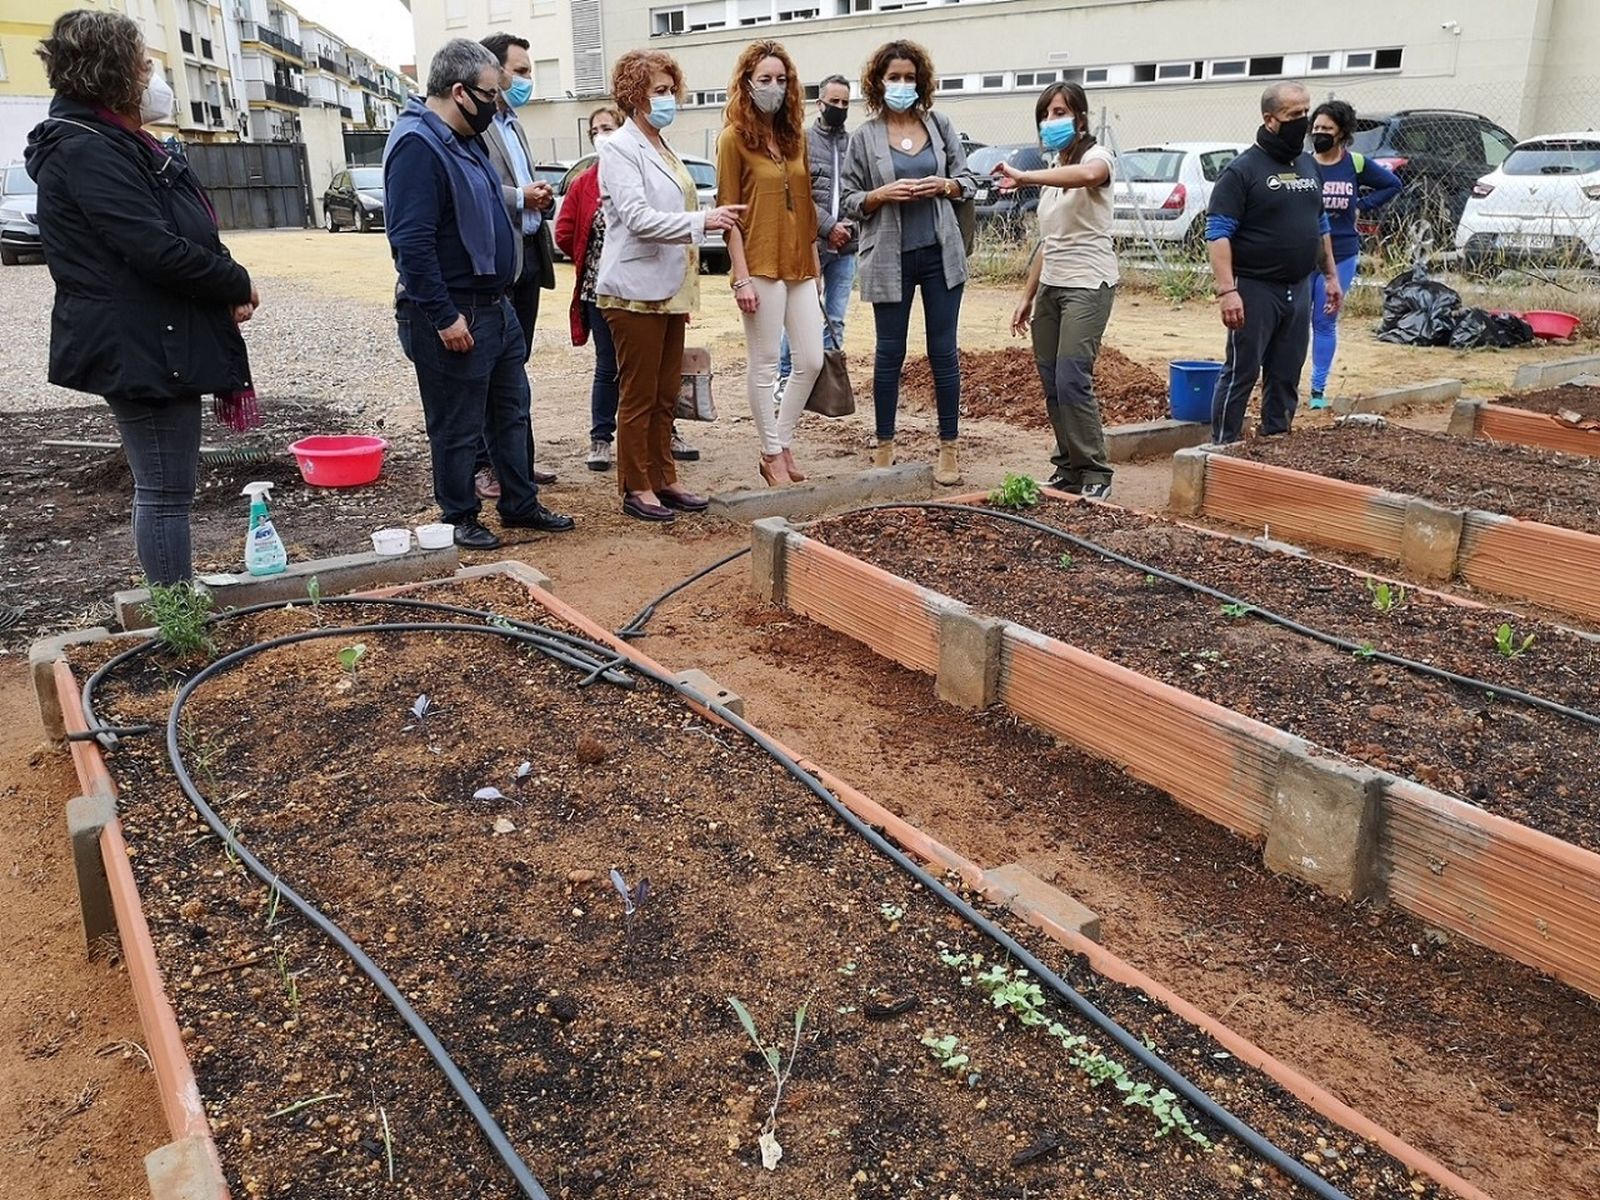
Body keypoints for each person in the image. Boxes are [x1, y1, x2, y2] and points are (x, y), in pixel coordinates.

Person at [26, 9, 259, 585]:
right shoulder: (87, 149)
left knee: (169, 487)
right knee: (164, 491)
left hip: (158, 336)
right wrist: (233, 281)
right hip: (141, 346)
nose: (152, 76)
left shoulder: (116, 142)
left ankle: (177, 598)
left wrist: (222, 277)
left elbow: (179, 230)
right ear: (112, 74)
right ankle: (175, 612)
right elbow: (153, 249)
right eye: (142, 65)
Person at [383, 37, 573, 549]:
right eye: (491, 93)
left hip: (495, 304)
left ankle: (520, 504)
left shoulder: (465, 139)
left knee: (511, 412)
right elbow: (411, 243)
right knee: (457, 423)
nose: (497, 102)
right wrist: (443, 316)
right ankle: (459, 516)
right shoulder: (417, 145)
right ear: (460, 92)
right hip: (454, 309)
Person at [596, 49, 743, 521]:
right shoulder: (618, 148)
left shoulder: (661, 145)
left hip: (669, 287)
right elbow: (638, 218)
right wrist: (704, 221)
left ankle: (665, 477)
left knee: (664, 393)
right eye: (659, 91)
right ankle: (636, 486)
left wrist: (704, 218)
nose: (668, 99)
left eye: (670, 90)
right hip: (632, 291)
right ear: (634, 95)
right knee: (639, 394)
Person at [841, 39, 977, 486]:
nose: (903, 84)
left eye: (909, 77)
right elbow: (848, 199)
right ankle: (884, 447)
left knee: (943, 352)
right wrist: (880, 195)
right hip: (888, 257)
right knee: (889, 353)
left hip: (940, 254)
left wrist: (946, 186)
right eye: (894, 77)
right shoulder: (864, 136)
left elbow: (969, 181)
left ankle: (949, 448)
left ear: (921, 82)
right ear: (878, 83)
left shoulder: (939, 125)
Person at [998, 82, 1119, 498]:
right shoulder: (1055, 170)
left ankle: (1095, 472)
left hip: (1088, 283)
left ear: (1080, 118)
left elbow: (1089, 176)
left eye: (1060, 112)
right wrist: (1027, 296)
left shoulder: (1097, 156)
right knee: (1052, 380)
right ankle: (1068, 466)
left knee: (1072, 377)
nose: (1051, 121)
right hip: (1052, 285)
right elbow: (1049, 244)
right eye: (1046, 114)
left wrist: (1025, 176)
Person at [1206, 82, 1342, 445]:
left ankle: (1275, 445)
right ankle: (1223, 448)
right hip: (1254, 288)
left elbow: (1320, 224)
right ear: (1270, 120)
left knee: (1286, 373)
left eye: (1306, 112)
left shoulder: (1308, 164)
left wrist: (1330, 276)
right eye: (1294, 114)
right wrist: (1227, 291)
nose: (1304, 122)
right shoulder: (1242, 171)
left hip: (1299, 287)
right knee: (1241, 372)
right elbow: (1217, 234)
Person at [718, 40, 824, 487]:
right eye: (765, 79)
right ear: (747, 83)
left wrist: (816, 266)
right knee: (764, 364)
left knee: (811, 360)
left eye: (781, 80)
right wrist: (740, 278)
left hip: (799, 263)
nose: (774, 87)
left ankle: (782, 440)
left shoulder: (796, 137)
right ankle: (771, 453)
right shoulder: (733, 139)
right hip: (759, 263)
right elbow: (728, 214)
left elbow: (807, 205)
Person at [473, 31, 557, 498]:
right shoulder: (477, 124)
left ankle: (516, 460)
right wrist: (521, 196)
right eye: (520, 71)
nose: (527, 79)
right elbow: (477, 188)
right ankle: (484, 465)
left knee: (515, 365)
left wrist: (539, 195)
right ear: (494, 70)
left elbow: (522, 179)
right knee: (488, 370)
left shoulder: (515, 124)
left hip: (529, 257)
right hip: (498, 261)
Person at [1307, 99, 1401, 408]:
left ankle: (1318, 391)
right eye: (1316, 127)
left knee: (1324, 321)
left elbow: (1392, 184)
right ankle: (1283, 384)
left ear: (1342, 132)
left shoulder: (1356, 163)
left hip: (1342, 253)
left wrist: (1362, 205)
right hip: (1303, 253)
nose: (1320, 133)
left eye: (1327, 128)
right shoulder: (1303, 164)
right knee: (1293, 322)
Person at [778, 73, 858, 396]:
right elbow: (795, 194)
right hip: (810, 245)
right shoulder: (802, 142)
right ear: (820, 103)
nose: (839, 107)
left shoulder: (854, 145)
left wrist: (848, 227)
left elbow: (861, 192)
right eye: (834, 101)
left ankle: (824, 385)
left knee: (835, 318)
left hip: (846, 248)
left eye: (845, 102)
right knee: (801, 316)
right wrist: (828, 226)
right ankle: (785, 376)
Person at [554, 105, 624, 471]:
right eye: (595, 131)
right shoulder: (584, 183)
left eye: (607, 127)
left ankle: (664, 432)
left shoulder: (640, 172)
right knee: (608, 364)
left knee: (650, 366)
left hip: (641, 290)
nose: (601, 135)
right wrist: (589, 254)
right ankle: (601, 438)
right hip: (599, 290)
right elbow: (564, 232)